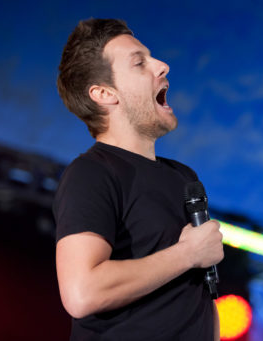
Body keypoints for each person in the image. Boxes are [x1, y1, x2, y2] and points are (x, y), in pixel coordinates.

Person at [53, 18, 224, 341]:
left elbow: (199, 299)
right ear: (104, 93)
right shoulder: (91, 173)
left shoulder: (183, 177)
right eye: (139, 63)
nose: (162, 66)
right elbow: (82, 292)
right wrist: (187, 254)